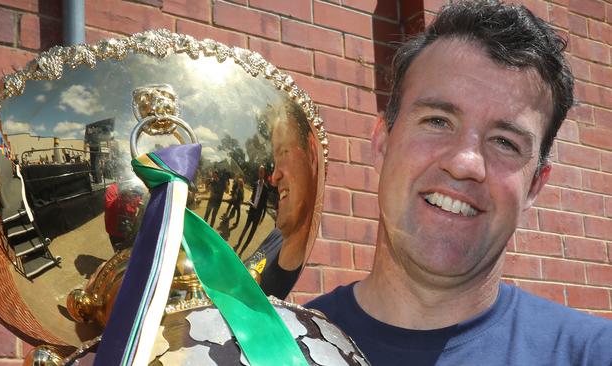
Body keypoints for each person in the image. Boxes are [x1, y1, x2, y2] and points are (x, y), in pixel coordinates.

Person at [307, 1, 612, 365]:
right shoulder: (278, 349)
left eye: (505, 142)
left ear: (534, 186)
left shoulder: (592, 354)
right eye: (438, 121)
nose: (466, 163)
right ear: (382, 142)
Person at [254, 99, 318, 299]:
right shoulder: (274, 237)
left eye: (284, 152)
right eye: (274, 160)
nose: (274, 177)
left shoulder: (311, 291)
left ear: (312, 153)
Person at [234, 165, 269, 254]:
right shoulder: (254, 184)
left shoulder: (266, 188)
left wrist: (262, 217)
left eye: (262, 171)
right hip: (251, 211)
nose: (260, 173)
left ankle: (242, 251)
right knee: (245, 228)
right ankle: (238, 243)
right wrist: (250, 201)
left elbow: (265, 205)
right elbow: (253, 196)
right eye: (259, 171)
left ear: (264, 173)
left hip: (258, 214)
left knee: (251, 233)